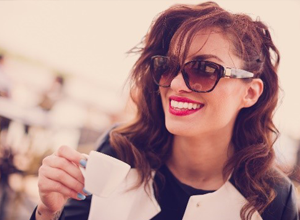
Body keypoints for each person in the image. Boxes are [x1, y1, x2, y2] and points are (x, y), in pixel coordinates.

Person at [30, 2, 299, 220]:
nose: (176, 84)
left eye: (204, 69)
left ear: (249, 93)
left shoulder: (273, 199)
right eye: (167, 66)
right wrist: (48, 211)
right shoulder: (120, 149)